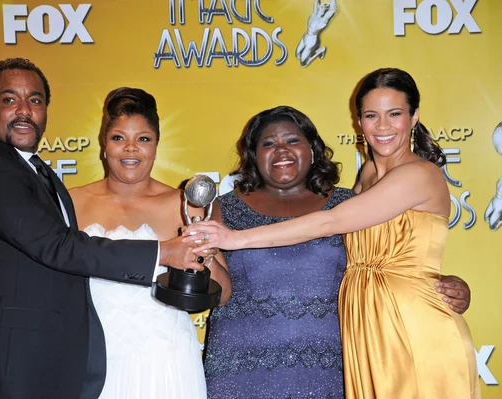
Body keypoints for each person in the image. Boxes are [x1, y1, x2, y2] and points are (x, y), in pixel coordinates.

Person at [187, 69, 480, 398]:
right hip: (367, 329)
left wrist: (235, 238)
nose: (382, 127)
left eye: (394, 114)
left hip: (408, 323)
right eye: (372, 115)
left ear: (414, 117)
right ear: (359, 123)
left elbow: (329, 223)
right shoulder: (368, 174)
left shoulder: (420, 174)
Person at [0, 58, 204, 399]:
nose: (24, 110)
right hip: (6, 357)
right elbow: (58, 246)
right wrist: (164, 251)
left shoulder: (40, 173)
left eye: (35, 100)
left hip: (59, 356)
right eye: (10, 99)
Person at [69, 87, 231, 398]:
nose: (130, 149)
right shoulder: (72, 201)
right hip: (90, 354)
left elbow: (222, 295)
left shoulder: (185, 204)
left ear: (156, 146)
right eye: (119, 138)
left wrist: (204, 253)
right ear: (104, 145)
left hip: (165, 357)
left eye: (143, 139)